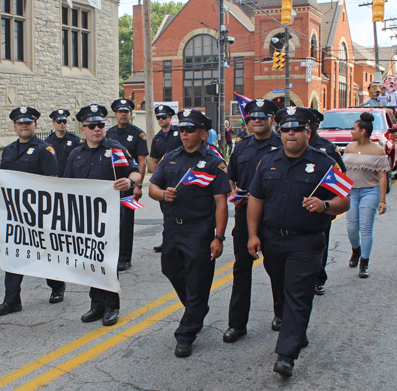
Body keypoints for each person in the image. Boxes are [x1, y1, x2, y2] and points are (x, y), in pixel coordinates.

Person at [247, 107, 350, 377]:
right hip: (272, 240)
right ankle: (296, 331)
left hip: (306, 243)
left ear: (308, 131)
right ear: (280, 132)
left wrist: (324, 204)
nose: (291, 133)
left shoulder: (325, 162)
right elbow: (256, 199)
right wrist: (253, 234)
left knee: (298, 295)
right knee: (281, 292)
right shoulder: (268, 161)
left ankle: (286, 355)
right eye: (286, 129)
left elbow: (344, 201)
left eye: (297, 129)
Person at [149, 109, 230, 358]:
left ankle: (186, 333)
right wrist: (163, 194)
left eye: (190, 129)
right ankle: (196, 308)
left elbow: (221, 202)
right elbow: (153, 186)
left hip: (200, 229)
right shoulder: (171, 157)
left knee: (197, 281)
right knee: (170, 270)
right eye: (181, 130)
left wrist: (219, 236)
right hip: (173, 226)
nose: (184, 134)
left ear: (203, 133)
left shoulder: (214, 162)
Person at [64, 104, 141, 326]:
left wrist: (131, 181)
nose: (97, 129)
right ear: (83, 129)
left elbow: (134, 170)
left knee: (107, 262)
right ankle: (96, 305)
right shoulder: (75, 154)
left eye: (100, 124)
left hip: (111, 217)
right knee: (90, 260)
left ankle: (111, 306)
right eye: (92, 126)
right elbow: (67, 186)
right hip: (85, 218)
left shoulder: (115, 149)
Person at [0, 107, 66, 316]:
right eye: (20, 123)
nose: (24, 126)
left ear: (35, 125)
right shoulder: (8, 150)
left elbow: (53, 182)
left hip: (39, 213)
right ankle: (12, 300)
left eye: (28, 123)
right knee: (13, 255)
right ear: (15, 126)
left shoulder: (45, 150)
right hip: (15, 214)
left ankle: (57, 286)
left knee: (46, 254)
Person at [223, 98, 282, 344]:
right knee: (241, 270)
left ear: (271, 119)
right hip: (244, 218)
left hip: (273, 219)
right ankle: (237, 324)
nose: (256, 120)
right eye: (252, 117)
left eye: (262, 116)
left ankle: (282, 315)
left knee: (277, 271)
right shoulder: (241, 146)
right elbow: (231, 176)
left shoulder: (282, 144)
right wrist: (233, 192)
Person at [305, 108, 347, 296]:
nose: (307, 128)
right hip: (296, 207)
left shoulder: (328, 148)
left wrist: (329, 207)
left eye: (309, 124)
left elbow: (341, 180)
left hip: (321, 208)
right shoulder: (289, 147)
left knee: (320, 245)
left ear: (315, 126)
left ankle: (318, 279)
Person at [344, 112, 389, 278]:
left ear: (362, 131)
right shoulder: (349, 148)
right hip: (351, 193)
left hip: (369, 191)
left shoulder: (378, 151)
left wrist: (382, 200)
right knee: (351, 228)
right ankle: (356, 250)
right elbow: (343, 173)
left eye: (353, 129)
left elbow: (382, 176)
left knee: (366, 228)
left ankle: (364, 262)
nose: (351, 132)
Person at [106, 99, 149, 271]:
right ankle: (111, 254)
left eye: (126, 111)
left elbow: (142, 162)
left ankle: (124, 257)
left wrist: (138, 185)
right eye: (120, 111)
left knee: (126, 222)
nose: (123, 114)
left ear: (131, 114)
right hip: (111, 185)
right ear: (115, 114)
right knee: (110, 222)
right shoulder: (108, 133)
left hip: (129, 184)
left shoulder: (138, 135)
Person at [150, 105, 183, 253]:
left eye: (164, 117)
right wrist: (156, 179)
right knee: (167, 213)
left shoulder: (180, 133)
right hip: (164, 180)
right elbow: (155, 161)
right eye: (159, 117)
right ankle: (168, 241)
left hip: (180, 178)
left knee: (183, 210)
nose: (161, 120)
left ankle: (183, 240)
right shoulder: (156, 139)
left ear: (171, 118)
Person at [44, 109, 82, 177]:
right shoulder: (47, 142)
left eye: (64, 121)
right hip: (54, 178)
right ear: (53, 123)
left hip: (70, 177)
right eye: (59, 121)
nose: (62, 124)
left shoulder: (75, 140)